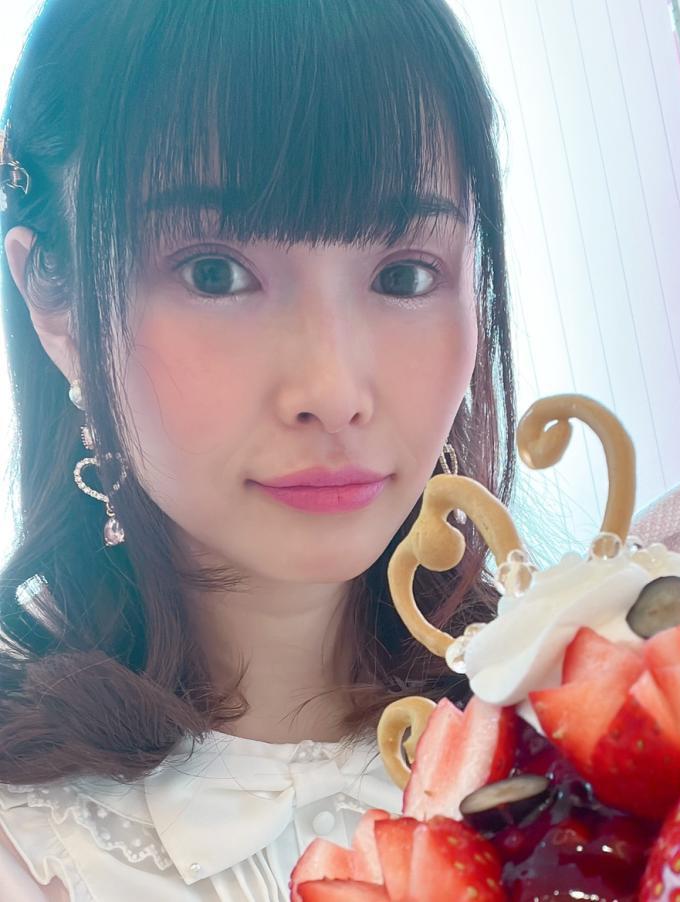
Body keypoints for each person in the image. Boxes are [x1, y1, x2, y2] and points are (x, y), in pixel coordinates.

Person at [0, 1, 517, 897]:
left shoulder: (589, 735)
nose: (333, 390)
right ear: (56, 297)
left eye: (403, 275)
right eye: (216, 273)